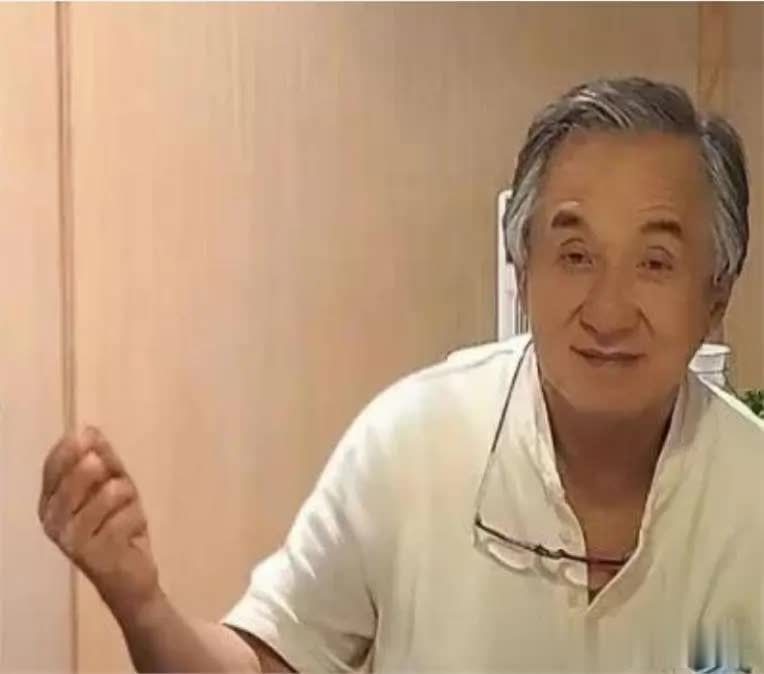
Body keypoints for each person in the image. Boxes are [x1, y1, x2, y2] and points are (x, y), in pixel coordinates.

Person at [39, 77, 764, 673]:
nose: (607, 311)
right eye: (575, 256)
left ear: (717, 295)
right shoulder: (412, 445)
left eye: (655, 263)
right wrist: (142, 605)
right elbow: (268, 661)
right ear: (522, 271)